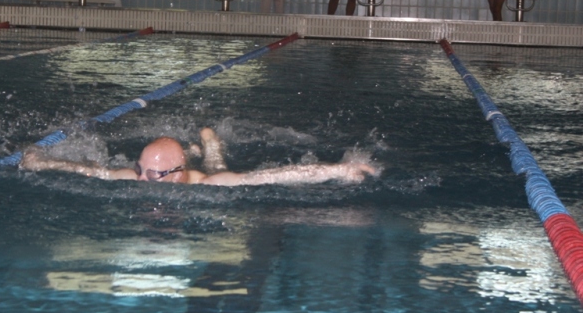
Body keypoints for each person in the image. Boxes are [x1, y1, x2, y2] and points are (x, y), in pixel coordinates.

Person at [20, 128, 380, 187]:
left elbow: (273, 175)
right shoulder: (138, 177)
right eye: (141, 171)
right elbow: (89, 170)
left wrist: (340, 169)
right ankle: (199, 143)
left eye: (154, 176)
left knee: (218, 163)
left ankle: (208, 141)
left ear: (177, 173)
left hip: (205, 175)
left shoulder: (206, 183)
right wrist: (42, 161)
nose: (143, 180)